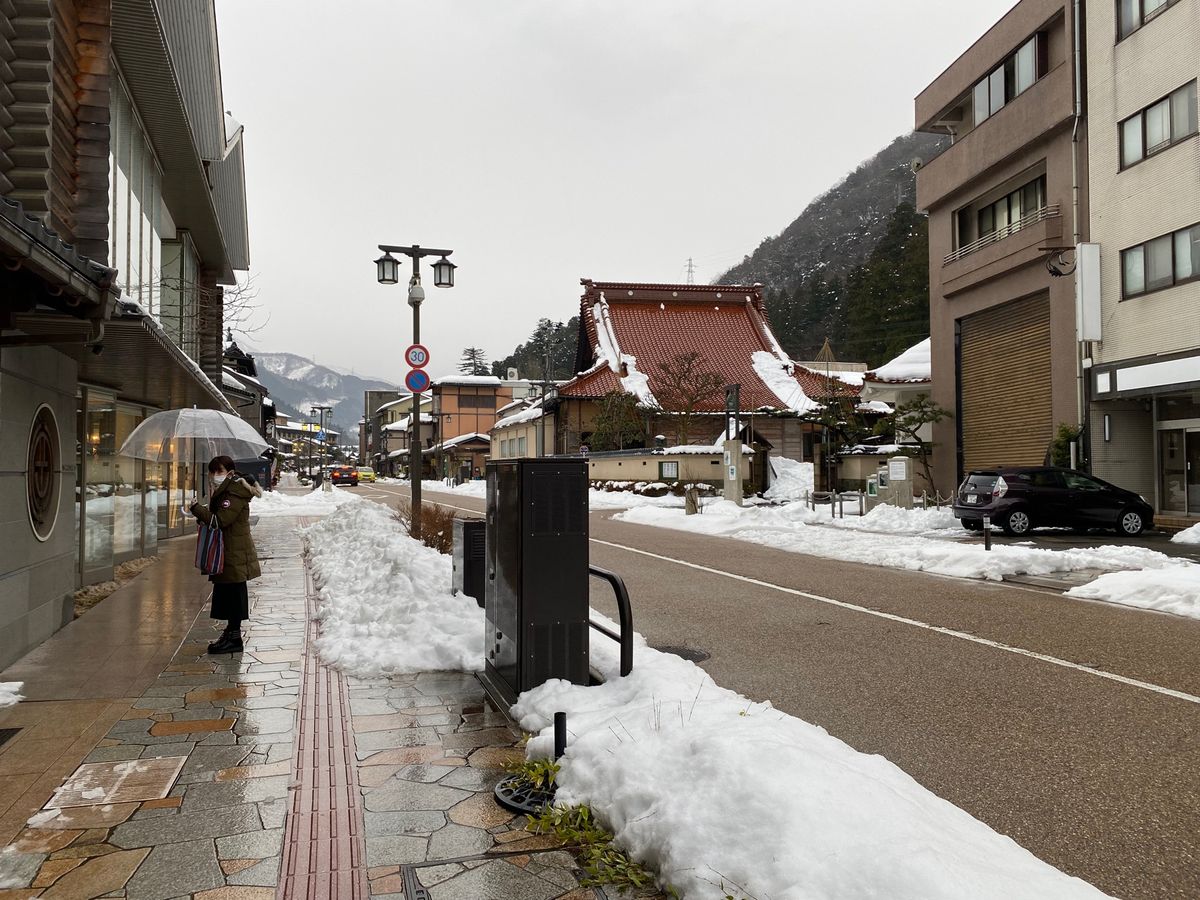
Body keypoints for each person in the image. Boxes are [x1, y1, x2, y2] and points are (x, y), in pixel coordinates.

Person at [188, 455, 263, 654]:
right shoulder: (226, 491)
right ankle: (230, 633)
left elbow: (221, 520)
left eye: (219, 471)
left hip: (234, 552)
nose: (215, 476)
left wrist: (196, 509)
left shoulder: (235, 492)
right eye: (212, 472)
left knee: (234, 593)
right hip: (227, 550)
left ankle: (235, 637)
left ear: (230, 472)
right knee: (228, 593)